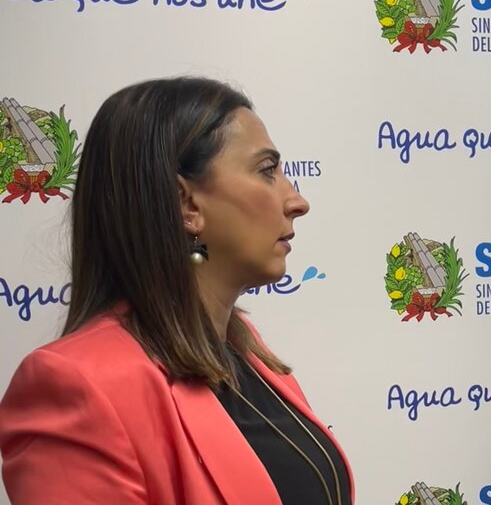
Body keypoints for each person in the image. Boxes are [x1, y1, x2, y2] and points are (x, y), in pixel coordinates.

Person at [0, 77, 354, 505]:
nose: (297, 201)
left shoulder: (247, 352)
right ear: (187, 204)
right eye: (266, 171)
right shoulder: (78, 386)